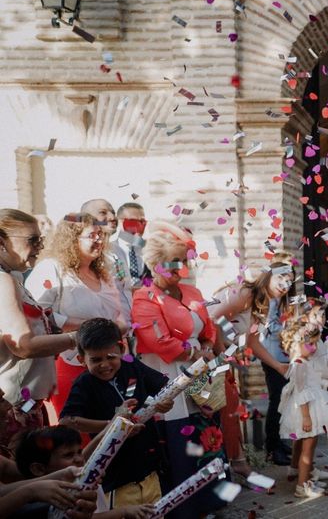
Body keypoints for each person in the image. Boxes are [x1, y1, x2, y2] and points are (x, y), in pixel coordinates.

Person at [130, 221, 224, 519]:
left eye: (184, 262)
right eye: (175, 263)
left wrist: (209, 346)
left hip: (200, 372)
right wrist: (198, 352)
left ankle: (211, 499)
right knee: (180, 440)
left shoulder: (191, 290)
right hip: (168, 374)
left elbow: (207, 328)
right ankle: (185, 507)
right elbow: (158, 341)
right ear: (156, 265)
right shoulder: (143, 297)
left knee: (207, 430)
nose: (182, 268)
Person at [59, 319, 171, 508]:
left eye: (110, 357)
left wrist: (165, 402)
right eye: (96, 360)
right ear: (81, 359)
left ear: (121, 349)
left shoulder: (132, 366)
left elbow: (164, 387)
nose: (105, 365)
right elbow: (66, 421)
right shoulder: (84, 384)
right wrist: (112, 425)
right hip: (115, 477)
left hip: (149, 469)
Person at [25, 214, 130, 416]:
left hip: (107, 365)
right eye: (92, 235)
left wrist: (117, 326)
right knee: (78, 428)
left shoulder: (103, 274)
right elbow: (36, 314)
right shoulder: (52, 269)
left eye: (101, 235)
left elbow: (120, 313)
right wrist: (87, 326)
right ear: (72, 239)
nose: (99, 240)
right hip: (68, 362)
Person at [0, 209, 77, 457]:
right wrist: (78, 339)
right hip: (15, 405)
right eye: (32, 240)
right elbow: (23, 345)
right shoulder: (3, 281)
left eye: (40, 240)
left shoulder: (11, 277)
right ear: (2, 243)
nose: (39, 248)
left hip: (26, 402)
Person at [207, 253, 296, 468]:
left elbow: (252, 343)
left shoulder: (259, 304)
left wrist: (278, 366)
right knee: (218, 410)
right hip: (207, 357)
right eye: (281, 278)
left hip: (219, 358)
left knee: (228, 410)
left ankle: (233, 464)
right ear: (268, 276)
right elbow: (214, 320)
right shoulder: (247, 293)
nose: (285, 284)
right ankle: (227, 466)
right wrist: (221, 357)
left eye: (290, 281)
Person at [14, 426, 153, 518]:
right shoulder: (55, 498)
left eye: (79, 452)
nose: (80, 459)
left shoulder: (78, 477)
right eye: (68, 455)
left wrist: (108, 432)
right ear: (39, 469)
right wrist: (124, 511)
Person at [277, 303, 328, 498]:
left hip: (313, 401)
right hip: (307, 408)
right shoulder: (299, 365)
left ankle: (299, 474)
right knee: (308, 447)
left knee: (304, 442)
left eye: (315, 343)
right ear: (296, 345)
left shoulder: (303, 360)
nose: (314, 348)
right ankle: (302, 487)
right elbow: (300, 393)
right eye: (310, 344)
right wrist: (306, 417)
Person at [109, 203, 148, 311]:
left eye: (142, 222)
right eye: (132, 222)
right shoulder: (107, 251)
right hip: (119, 310)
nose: (139, 226)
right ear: (119, 222)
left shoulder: (150, 251)